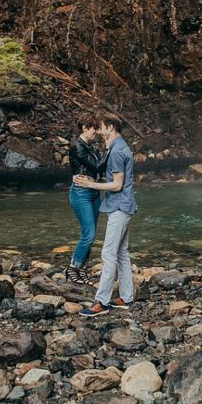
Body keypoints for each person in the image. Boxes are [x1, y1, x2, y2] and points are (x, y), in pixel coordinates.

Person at [74, 113, 138, 317]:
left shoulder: (118, 151)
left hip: (119, 207)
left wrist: (90, 184)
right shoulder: (117, 147)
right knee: (121, 253)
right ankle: (126, 297)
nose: (99, 130)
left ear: (111, 128)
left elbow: (117, 184)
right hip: (122, 206)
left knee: (108, 254)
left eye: (101, 126)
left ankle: (101, 302)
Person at [65, 114, 105, 286]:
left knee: (89, 233)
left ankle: (82, 269)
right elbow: (96, 166)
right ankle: (72, 267)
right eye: (93, 128)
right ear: (84, 128)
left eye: (97, 128)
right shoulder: (77, 146)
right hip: (81, 192)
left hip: (93, 192)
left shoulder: (91, 147)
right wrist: (111, 150)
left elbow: (98, 171)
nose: (96, 132)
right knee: (89, 234)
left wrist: (97, 181)